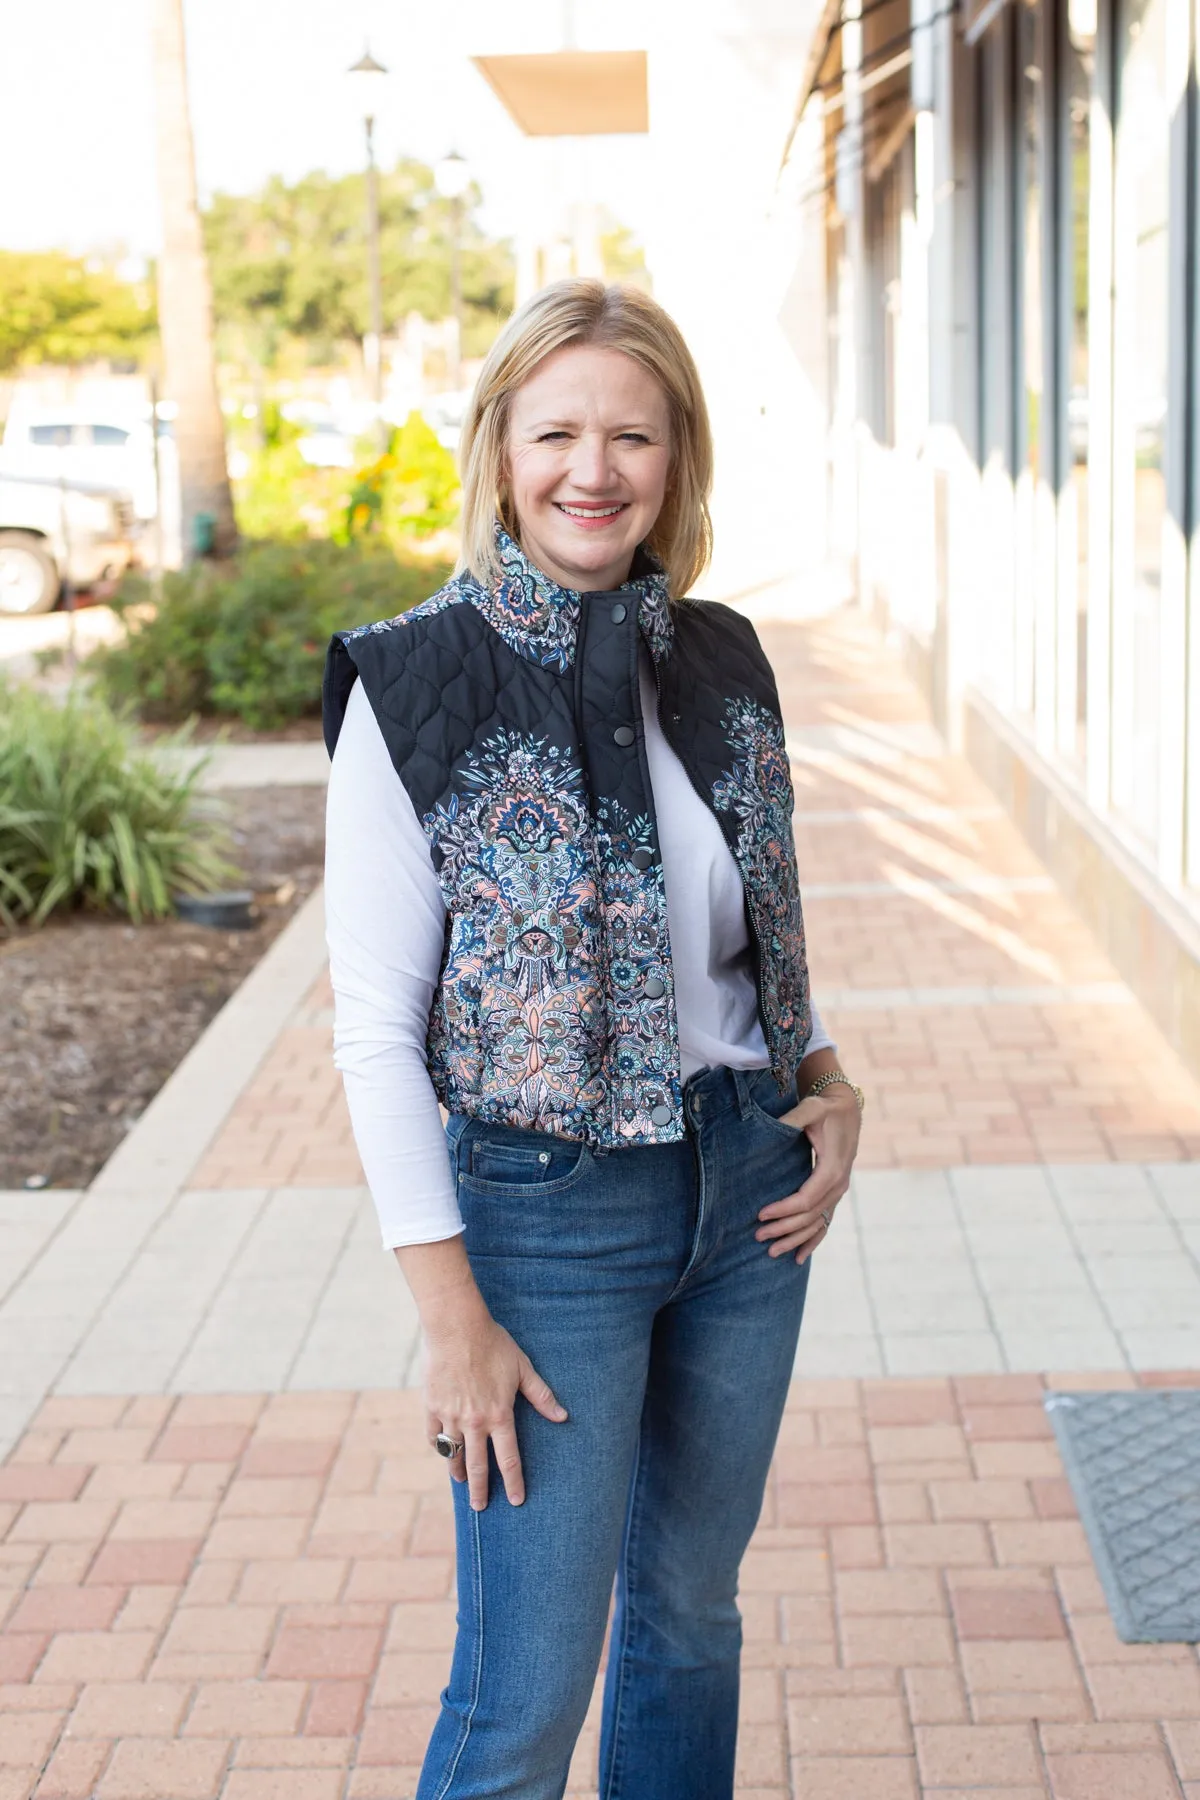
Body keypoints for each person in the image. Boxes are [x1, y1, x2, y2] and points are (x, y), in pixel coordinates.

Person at [323, 278, 863, 1800]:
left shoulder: (725, 659)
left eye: (633, 433)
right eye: (557, 429)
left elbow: (758, 933)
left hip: (749, 1200)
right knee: (524, 1697)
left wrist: (826, 1080)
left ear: (677, 458)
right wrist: (451, 1323)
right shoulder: (412, 681)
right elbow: (372, 1035)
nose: (594, 468)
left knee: (691, 1621)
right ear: (500, 448)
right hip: (544, 1224)